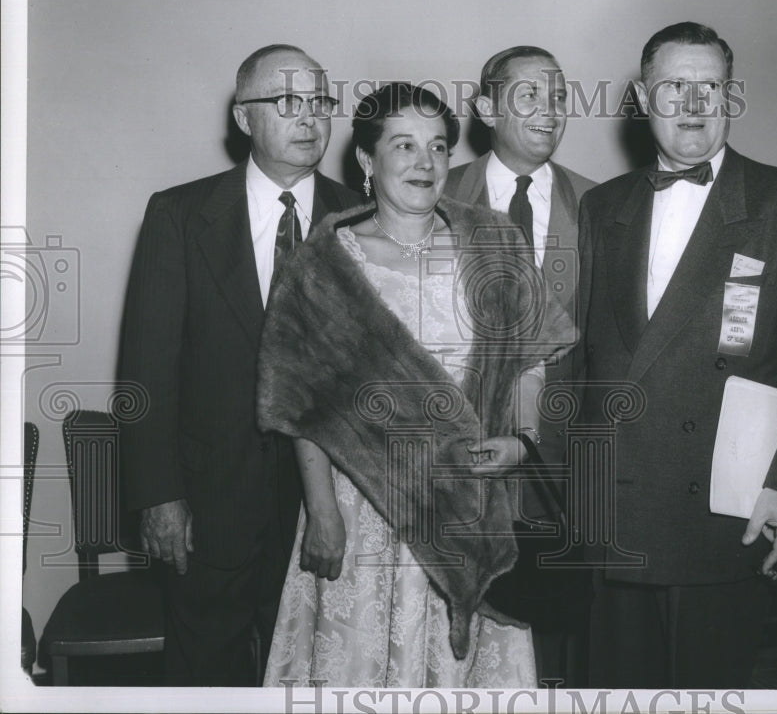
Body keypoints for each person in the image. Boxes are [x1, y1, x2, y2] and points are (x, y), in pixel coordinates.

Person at [256, 83, 575, 688]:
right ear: (366, 161)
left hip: (474, 505)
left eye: (437, 146)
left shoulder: (494, 242)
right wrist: (322, 510)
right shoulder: (323, 263)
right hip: (367, 507)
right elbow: (301, 404)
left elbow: (533, 360)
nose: (424, 162)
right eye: (403, 145)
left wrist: (522, 441)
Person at [576, 22, 777, 688]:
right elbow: (584, 363)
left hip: (724, 513)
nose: (694, 103)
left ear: (731, 98)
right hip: (614, 508)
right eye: (676, 85)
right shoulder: (601, 206)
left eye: (711, 86)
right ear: (644, 99)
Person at [118, 44, 361, 685]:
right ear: (243, 117)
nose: (308, 118)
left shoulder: (362, 220)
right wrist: (159, 497)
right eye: (286, 102)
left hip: (331, 509)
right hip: (209, 503)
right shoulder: (179, 215)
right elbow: (145, 369)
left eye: (319, 102)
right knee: (206, 676)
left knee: (317, 675)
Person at [444, 47, 594, 684]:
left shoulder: (601, 205)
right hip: (457, 461)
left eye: (558, 95)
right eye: (528, 95)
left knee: (554, 645)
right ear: (484, 108)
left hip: (563, 464)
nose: (549, 110)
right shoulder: (437, 193)